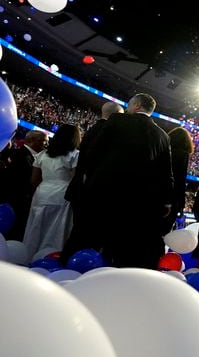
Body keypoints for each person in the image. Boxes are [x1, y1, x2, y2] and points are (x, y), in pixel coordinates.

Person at [83, 93, 173, 268]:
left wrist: (89, 176)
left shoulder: (117, 120)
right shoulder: (162, 136)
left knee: (96, 237)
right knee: (123, 241)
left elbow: (95, 151)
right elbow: (166, 173)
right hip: (139, 199)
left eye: (130, 105)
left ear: (137, 105)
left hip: (105, 190)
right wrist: (167, 201)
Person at [62, 101, 123, 262]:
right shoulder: (108, 133)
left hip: (81, 189)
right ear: (116, 116)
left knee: (79, 232)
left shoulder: (92, 130)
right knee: (87, 235)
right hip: (93, 192)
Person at [22, 124, 80, 259]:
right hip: (62, 194)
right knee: (57, 231)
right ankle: (51, 257)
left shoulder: (42, 154)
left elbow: (34, 179)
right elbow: (75, 179)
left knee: (35, 227)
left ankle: (29, 256)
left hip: (42, 193)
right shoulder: (75, 155)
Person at [0, 130, 47, 241]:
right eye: (44, 141)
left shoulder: (33, 157)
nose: (47, 144)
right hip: (14, 203)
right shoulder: (19, 154)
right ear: (32, 141)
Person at [165, 127, 194, 232]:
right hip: (171, 198)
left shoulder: (164, 149)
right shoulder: (183, 155)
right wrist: (180, 205)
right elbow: (180, 180)